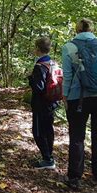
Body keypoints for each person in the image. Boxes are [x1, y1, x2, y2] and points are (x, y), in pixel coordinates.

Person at [62, 18, 97, 190]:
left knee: (77, 137)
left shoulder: (69, 47)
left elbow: (68, 76)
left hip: (79, 98)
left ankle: (75, 178)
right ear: (92, 29)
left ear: (76, 29)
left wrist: (65, 96)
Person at [28, 36, 58, 169]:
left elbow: (39, 88)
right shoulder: (53, 63)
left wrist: (30, 78)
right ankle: (49, 156)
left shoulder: (40, 66)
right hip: (52, 102)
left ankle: (47, 159)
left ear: (38, 49)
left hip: (41, 104)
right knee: (48, 129)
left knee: (38, 131)